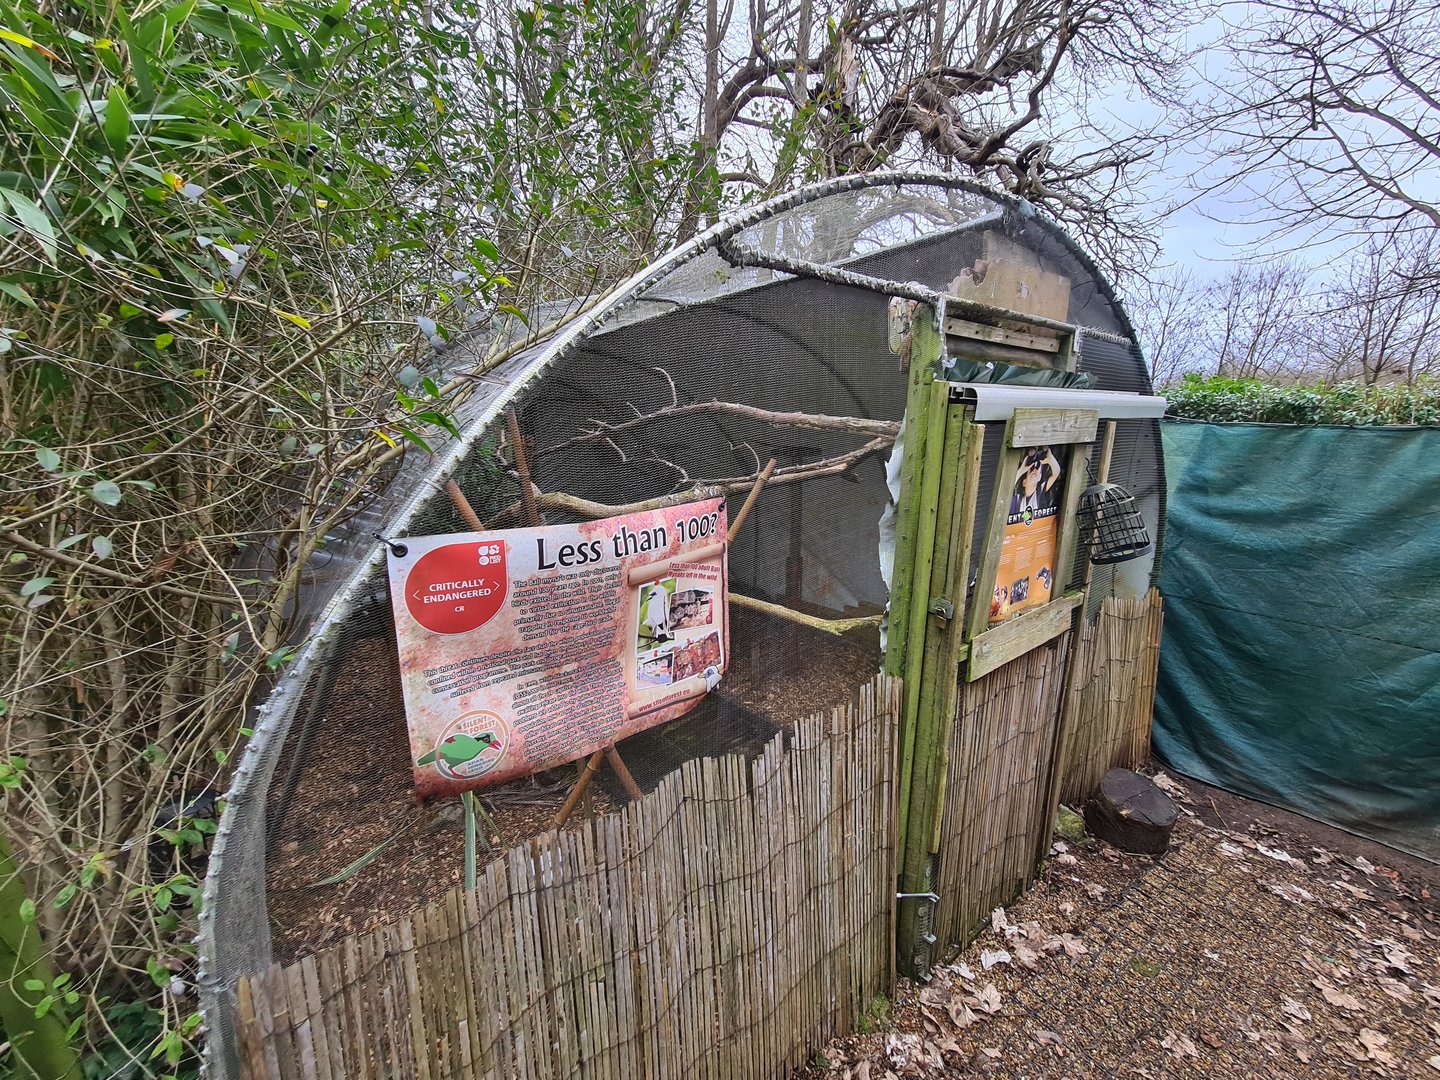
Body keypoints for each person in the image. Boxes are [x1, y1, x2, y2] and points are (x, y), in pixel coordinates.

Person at [1010, 445, 1062, 516]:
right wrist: (1020, 471)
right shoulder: (1016, 500)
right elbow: (1006, 491)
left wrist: (1049, 456)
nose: (1034, 470)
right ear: (1024, 482)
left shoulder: (1040, 491)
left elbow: (1056, 472)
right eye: (1031, 469)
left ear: (1040, 477)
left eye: (1037, 468)